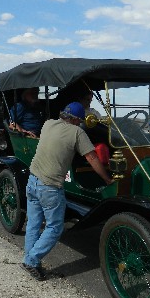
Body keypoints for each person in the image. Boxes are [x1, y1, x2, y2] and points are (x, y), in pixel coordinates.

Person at [22, 102, 114, 281]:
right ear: (76, 120)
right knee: (55, 228)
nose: (80, 124)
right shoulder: (77, 132)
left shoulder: (48, 124)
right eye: (79, 121)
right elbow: (92, 158)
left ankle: (29, 259)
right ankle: (31, 260)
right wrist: (107, 179)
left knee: (33, 223)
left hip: (32, 180)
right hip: (49, 187)